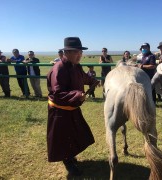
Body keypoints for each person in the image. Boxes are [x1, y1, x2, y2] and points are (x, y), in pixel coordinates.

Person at [47, 37, 99, 176]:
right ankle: (68, 162)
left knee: (75, 133)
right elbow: (58, 93)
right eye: (76, 52)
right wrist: (77, 95)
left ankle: (70, 156)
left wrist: (93, 81)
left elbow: (83, 77)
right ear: (67, 52)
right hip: (60, 110)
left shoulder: (76, 66)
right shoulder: (59, 68)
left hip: (72, 109)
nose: (80, 55)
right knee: (63, 137)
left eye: (80, 52)